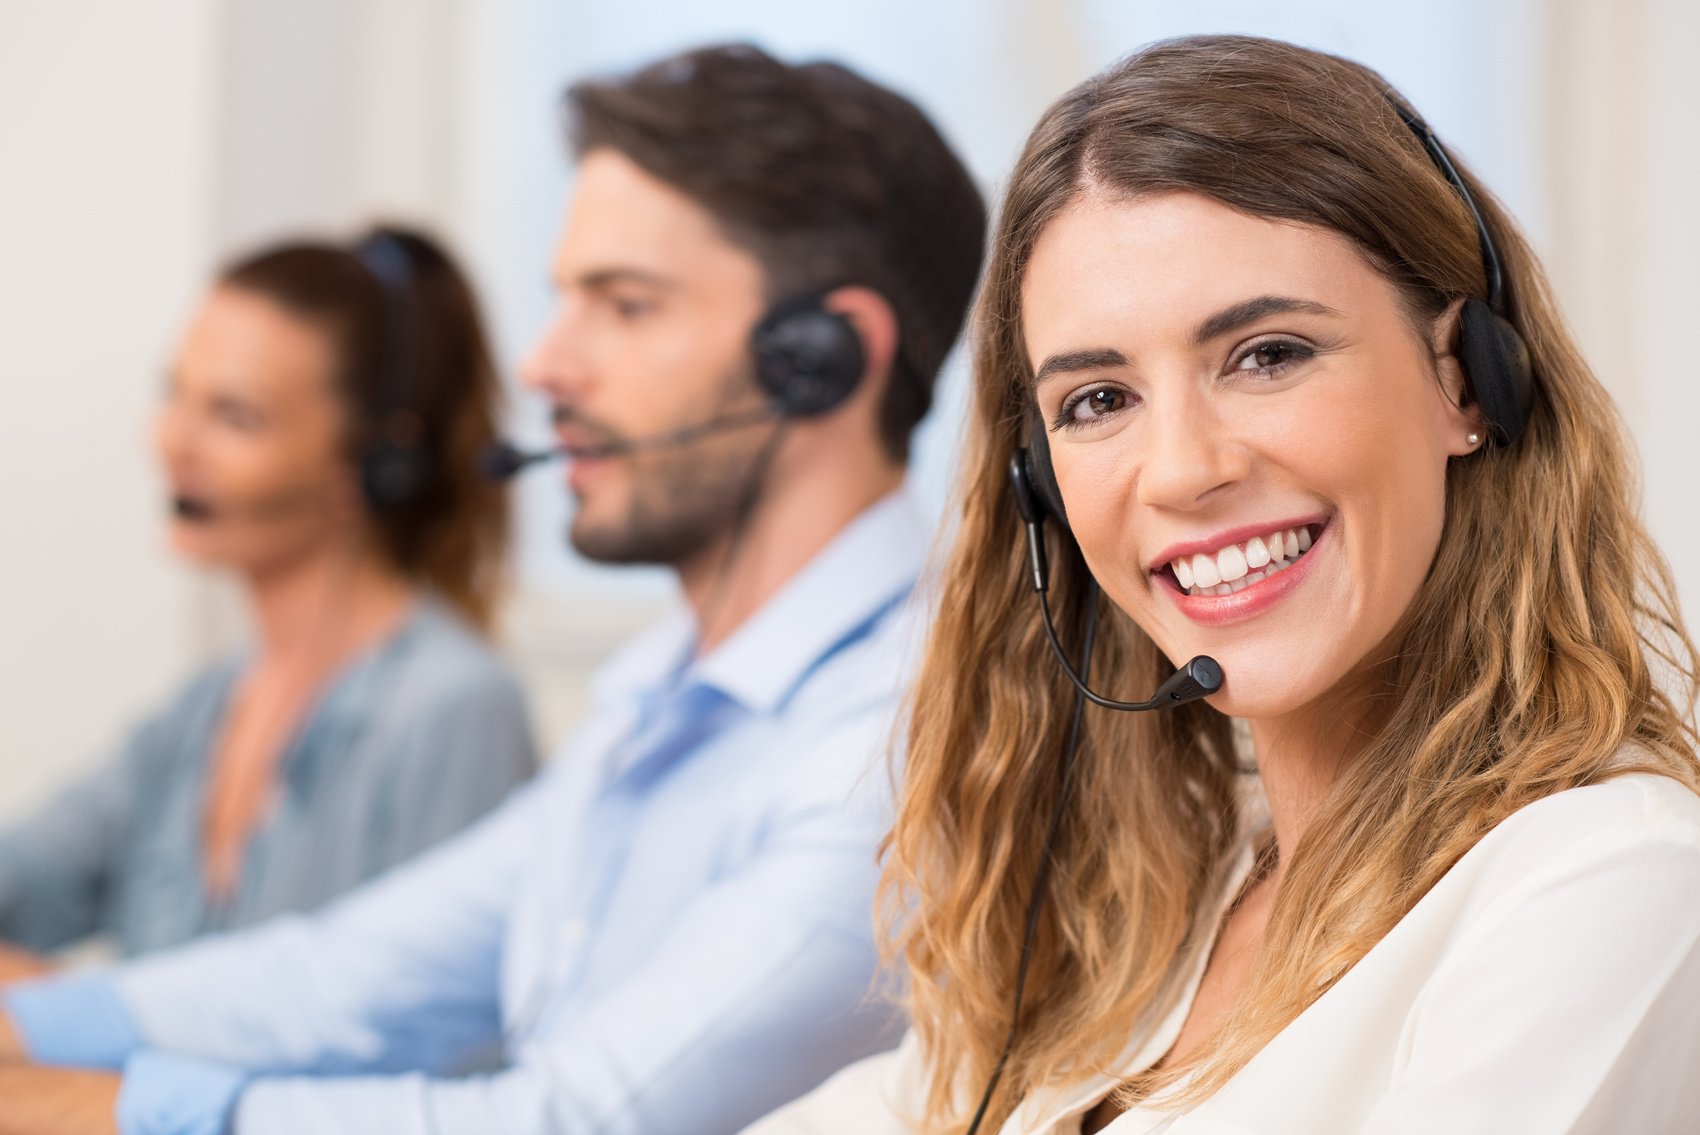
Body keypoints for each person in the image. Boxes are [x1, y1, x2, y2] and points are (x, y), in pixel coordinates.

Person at [0, 43, 987, 1135]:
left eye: (624, 305)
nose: (543, 366)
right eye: (565, 299)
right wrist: (30, 1031)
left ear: (822, 357)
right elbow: (342, 980)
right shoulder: (656, 697)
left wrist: (82, 1112)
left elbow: (569, 1121)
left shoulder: (901, 742)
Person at [751, 34, 1700, 1135]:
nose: (1185, 469)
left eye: (1266, 353)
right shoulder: (1160, 914)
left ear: (1463, 379)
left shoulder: (1603, 880)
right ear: (1038, 489)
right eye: (1098, 400)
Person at [0, 227, 536, 975]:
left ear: (374, 460)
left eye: (235, 416)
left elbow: (436, 1044)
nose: (174, 442)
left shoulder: (453, 710)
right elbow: (22, 879)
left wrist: (75, 1014)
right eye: (174, 395)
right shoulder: (206, 708)